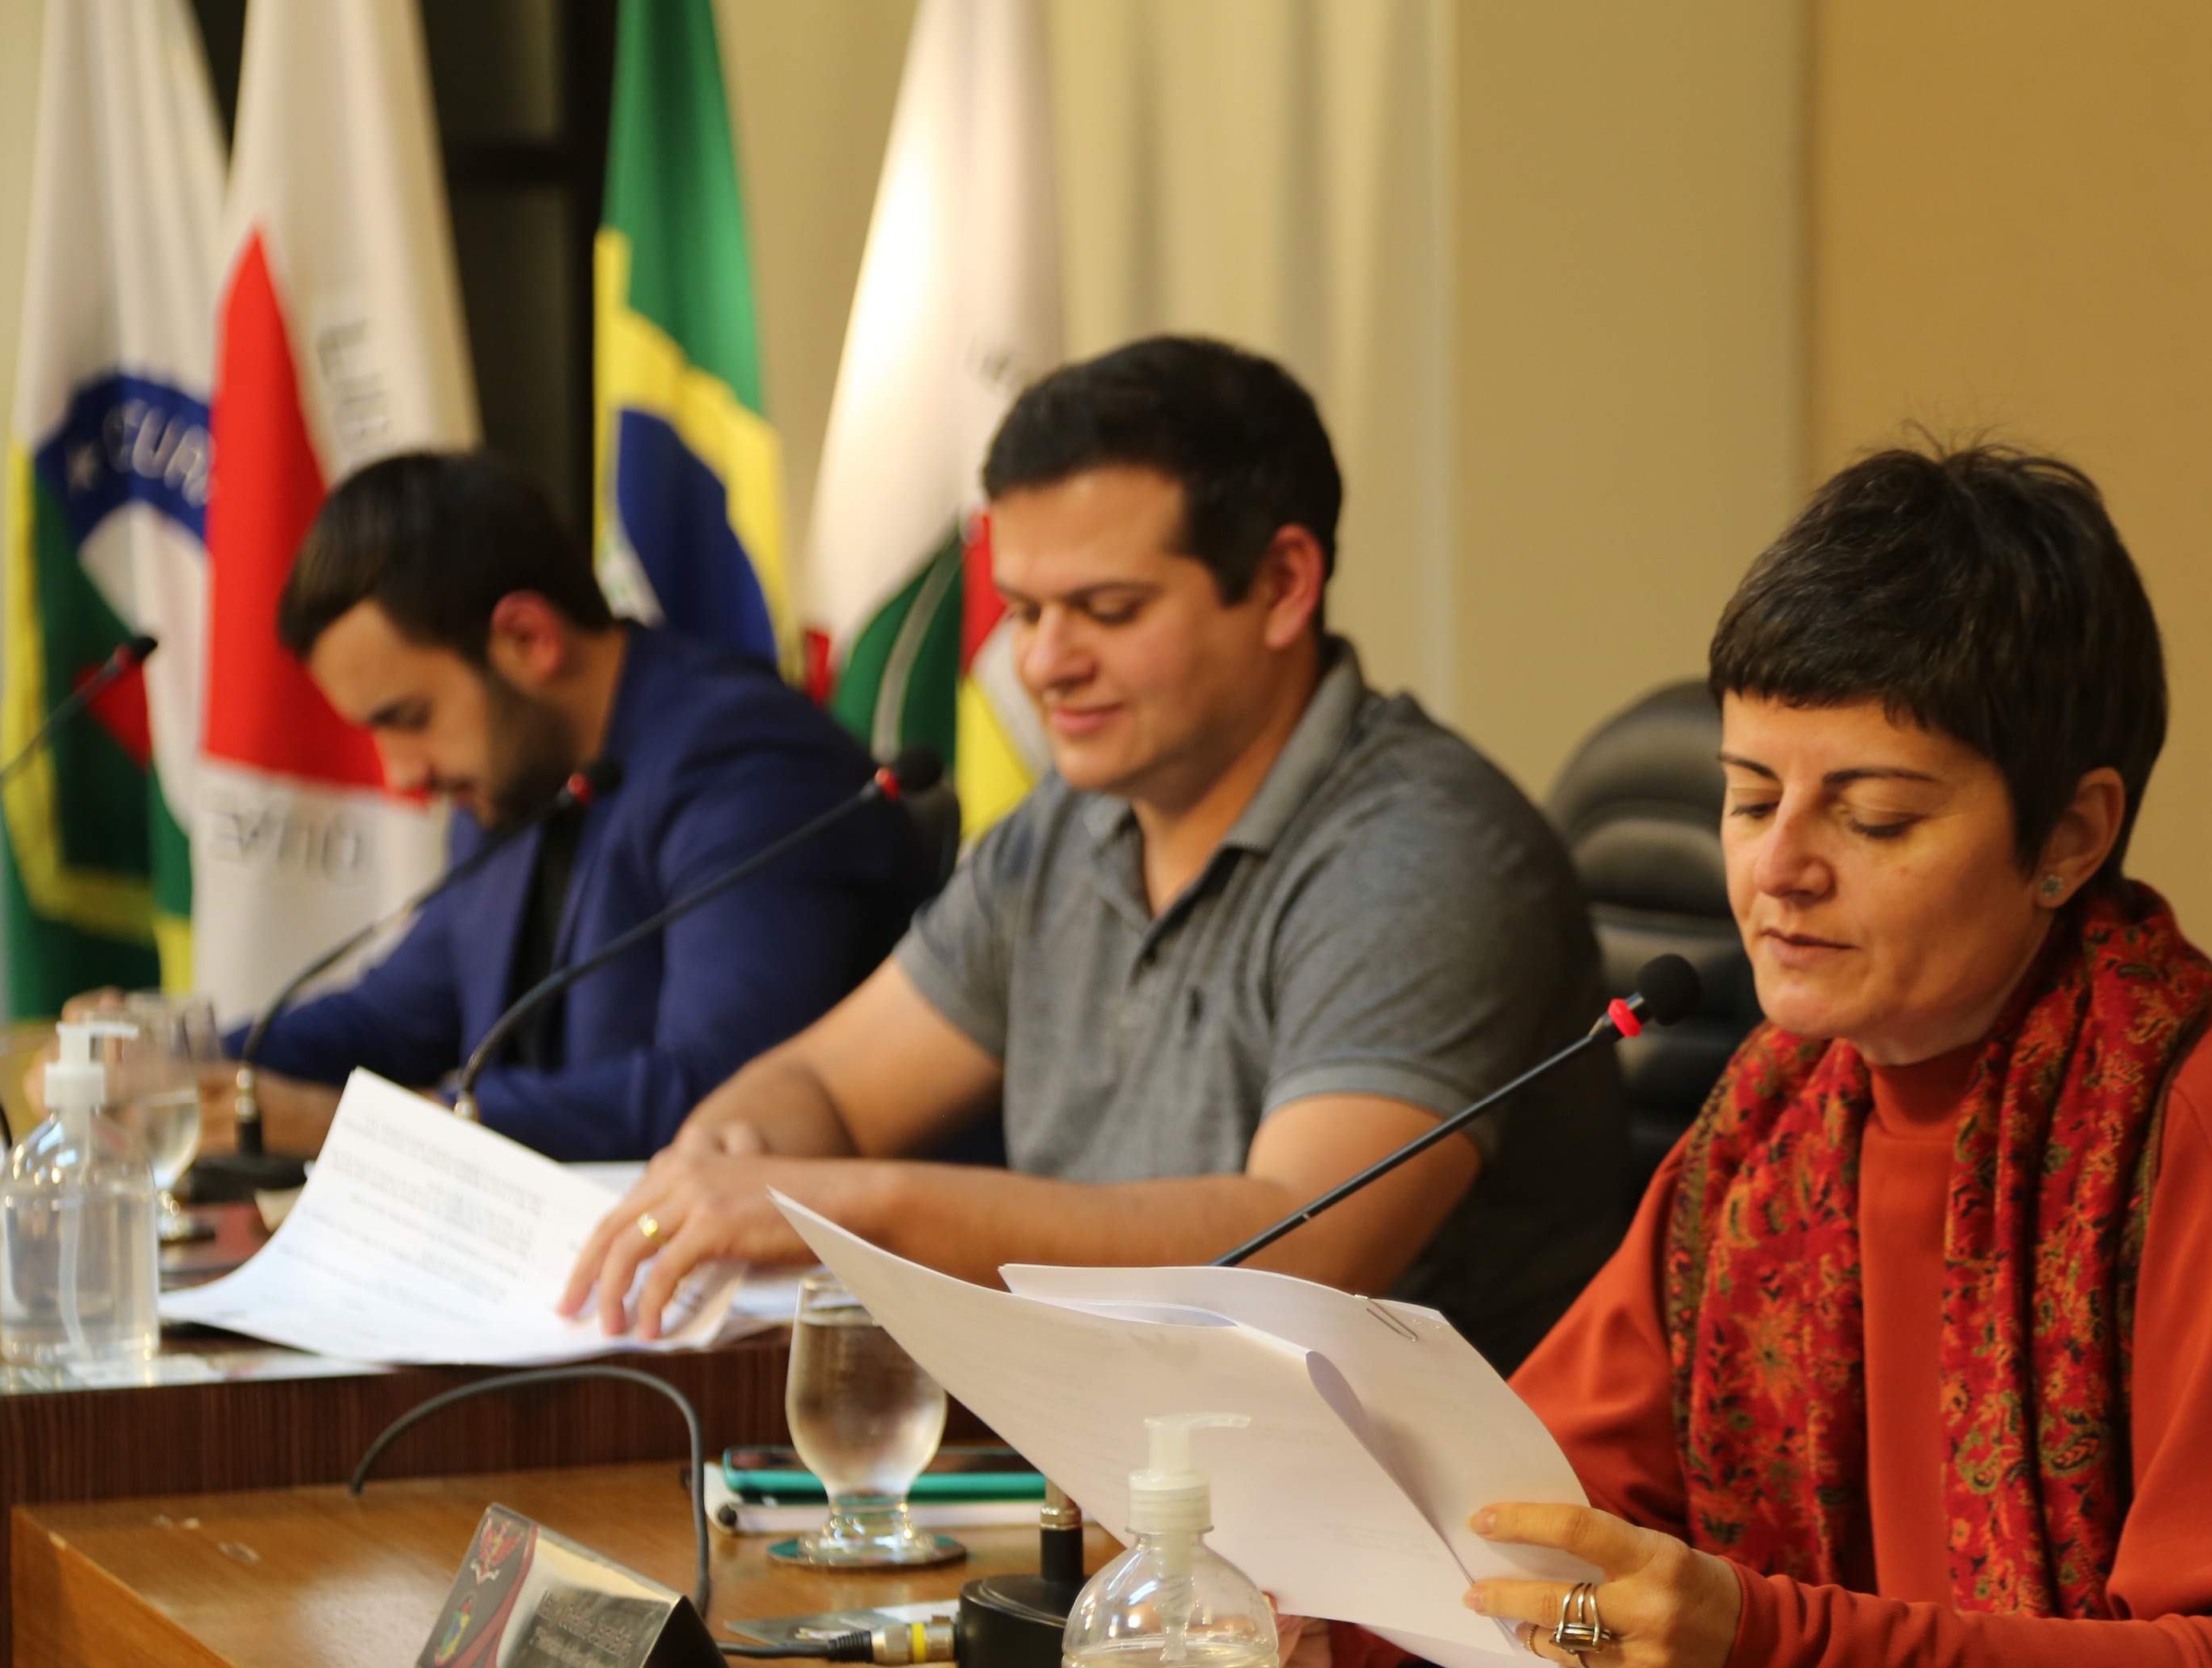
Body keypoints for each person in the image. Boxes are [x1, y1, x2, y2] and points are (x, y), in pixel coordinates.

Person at [1295, 442, 2212, 1668]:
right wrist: (1327, 1623)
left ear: (2069, 836)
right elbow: (1541, 1501)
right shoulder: (1770, 1122)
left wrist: (1778, 1653)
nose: (1777, 871)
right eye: (1750, 797)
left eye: (1872, 819)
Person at [566, 337, 1624, 1372]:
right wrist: (732, 1152)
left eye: (1107, 611)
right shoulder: (1067, 826)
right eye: (1024, 611)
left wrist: (849, 1205)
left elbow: (1296, 1251)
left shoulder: (1428, 855)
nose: (1043, 664)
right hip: (1119, 1471)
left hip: (1409, 1519)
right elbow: (825, 1085)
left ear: (1285, 584)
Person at [186, 450, 930, 1162]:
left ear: (528, 638)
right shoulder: (518, 777)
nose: (403, 773)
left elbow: (719, 1092)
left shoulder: (748, 761)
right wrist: (171, 1062)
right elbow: (391, 1019)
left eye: (409, 717)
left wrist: (373, 1130)